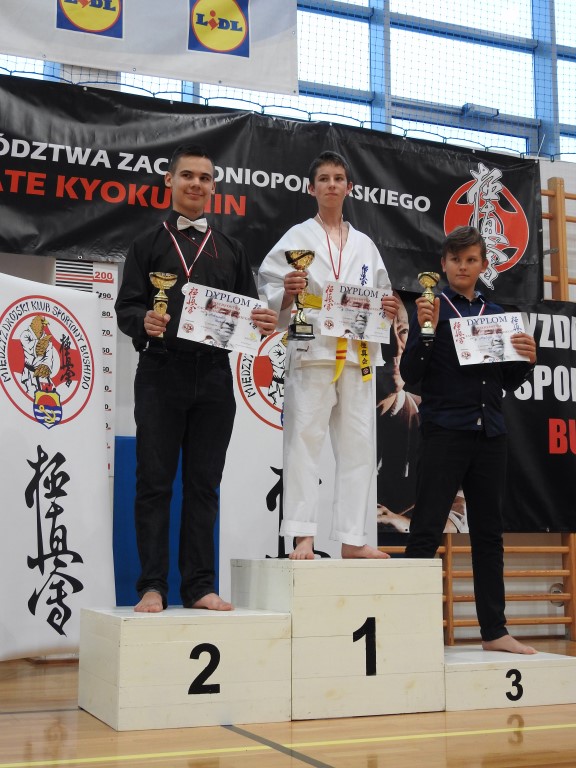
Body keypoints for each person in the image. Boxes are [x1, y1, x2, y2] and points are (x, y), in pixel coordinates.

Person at [115, 143, 277, 613]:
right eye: (187, 175)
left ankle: (200, 586)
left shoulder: (232, 249)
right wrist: (143, 320)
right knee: (154, 484)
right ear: (170, 181)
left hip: (213, 379)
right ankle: (152, 586)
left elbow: (250, 316)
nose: (196, 184)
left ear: (213, 187)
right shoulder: (146, 244)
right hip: (160, 372)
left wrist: (263, 322)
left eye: (204, 178)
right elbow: (126, 307)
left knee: (204, 486)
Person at [400, 225, 538, 654]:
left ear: (483, 265)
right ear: (443, 264)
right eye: (456, 259)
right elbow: (410, 375)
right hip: (445, 431)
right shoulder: (431, 307)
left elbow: (506, 380)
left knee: (489, 535)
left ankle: (494, 631)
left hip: (490, 433)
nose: (463, 266)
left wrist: (527, 360)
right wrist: (425, 331)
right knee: (425, 531)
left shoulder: (495, 313)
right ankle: (409, 631)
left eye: (471, 260)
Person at [258, 150, 398, 560]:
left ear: (349, 187)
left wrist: (388, 309)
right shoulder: (296, 238)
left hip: (357, 354)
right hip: (312, 348)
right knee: (303, 442)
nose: (332, 184)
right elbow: (269, 289)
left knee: (359, 446)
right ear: (311, 188)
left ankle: (353, 539)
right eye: (324, 178)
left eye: (338, 178)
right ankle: (303, 535)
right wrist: (287, 291)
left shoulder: (366, 245)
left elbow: (382, 296)